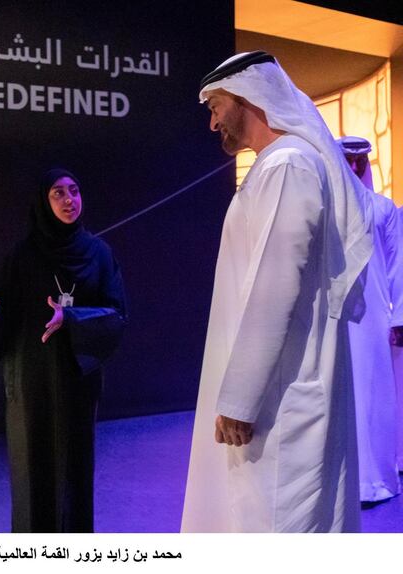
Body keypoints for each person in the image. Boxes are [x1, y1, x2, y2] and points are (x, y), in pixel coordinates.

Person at [182, 52, 372, 532]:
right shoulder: (281, 165)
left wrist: (241, 398)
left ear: (247, 97)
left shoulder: (289, 166)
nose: (212, 123)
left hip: (282, 390)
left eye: (215, 106)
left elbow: (274, 285)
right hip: (279, 379)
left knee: (276, 520)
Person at [0, 169, 127, 532]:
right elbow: (1, 295)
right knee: (31, 468)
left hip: (74, 378)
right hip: (29, 377)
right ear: (43, 202)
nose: (69, 200)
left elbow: (116, 313)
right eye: (58, 194)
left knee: (74, 469)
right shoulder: (23, 255)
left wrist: (72, 317)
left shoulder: (98, 254)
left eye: (74, 191)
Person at [338, 136, 403, 502]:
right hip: (333, 316)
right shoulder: (324, 207)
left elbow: (398, 265)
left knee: (373, 395)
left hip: (374, 317)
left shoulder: (383, 209)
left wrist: (399, 318)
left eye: (360, 161)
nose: (355, 166)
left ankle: (375, 478)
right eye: (348, 159)